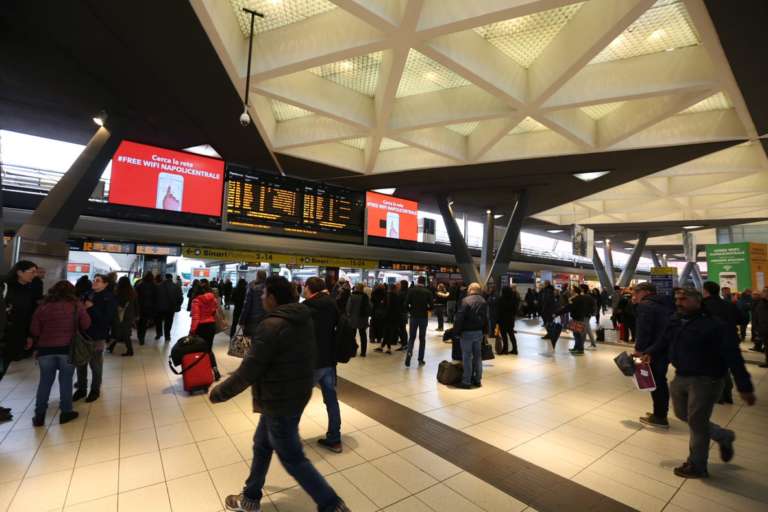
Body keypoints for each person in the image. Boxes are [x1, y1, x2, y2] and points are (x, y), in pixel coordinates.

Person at [208, 276, 349, 512]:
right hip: (291, 395)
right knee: (262, 445)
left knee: (293, 459)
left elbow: (249, 370)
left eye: (264, 295)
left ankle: (332, 505)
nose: (261, 298)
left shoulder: (271, 325)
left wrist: (220, 393)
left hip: (279, 401)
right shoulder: (303, 318)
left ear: (272, 298)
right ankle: (251, 497)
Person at [665, 288, 756, 478]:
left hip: (706, 379)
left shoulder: (714, 325)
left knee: (697, 423)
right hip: (681, 375)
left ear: (698, 301)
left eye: (684, 299)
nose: (678, 302)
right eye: (677, 299)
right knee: (682, 414)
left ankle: (697, 465)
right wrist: (649, 352)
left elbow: (733, 355)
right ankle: (723, 436)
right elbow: (665, 342)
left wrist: (744, 385)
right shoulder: (677, 320)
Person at [28, 281, 91, 426]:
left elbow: (35, 330)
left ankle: (39, 416)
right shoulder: (76, 305)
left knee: (45, 381)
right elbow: (86, 324)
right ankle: (66, 412)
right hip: (67, 349)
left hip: (45, 349)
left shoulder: (43, 306)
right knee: (66, 381)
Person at [303, 277, 344, 454]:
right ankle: (335, 439)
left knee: (297, 399)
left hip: (311, 361)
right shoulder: (332, 304)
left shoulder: (305, 307)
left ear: (309, 288)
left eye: (305, 287)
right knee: (331, 399)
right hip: (329, 360)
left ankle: (286, 438)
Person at [632, 282, 674, 428]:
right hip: (664, 347)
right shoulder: (665, 303)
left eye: (635, 294)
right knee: (659, 380)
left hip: (652, 350)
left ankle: (660, 417)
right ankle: (660, 413)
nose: (634, 297)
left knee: (656, 382)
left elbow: (644, 330)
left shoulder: (646, 306)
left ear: (644, 291)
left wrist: (640, 350)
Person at [73, 274, 116, 403]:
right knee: (81, 363)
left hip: (98, 335)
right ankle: (81, 389)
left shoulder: (110, 298)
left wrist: (92, 308)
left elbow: (107, 319)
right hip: (82, 334)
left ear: (105, 284)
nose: (95, 282)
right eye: (94, 280)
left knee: (95, 365)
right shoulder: (87, 294)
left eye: (98, 281)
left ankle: (95, 390)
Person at [701, 281, 742, 404]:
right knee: (724, 368)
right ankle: (727, 394)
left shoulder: (703, 306)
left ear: (706, 291)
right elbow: (743, 319)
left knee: (711, 368)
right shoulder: (728, 304)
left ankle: (717, 396)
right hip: (730, 339)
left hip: (710, 342)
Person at [453, 283, 488, 388]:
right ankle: (477, 380)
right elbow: (486, 318)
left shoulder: (465, 301)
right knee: (478, 357)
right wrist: (486, 332)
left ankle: (466, 381)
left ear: (471, 290)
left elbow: (460, 318)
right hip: (478, 332)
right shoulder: (483, 301)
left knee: (467, 356)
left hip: (467, 332)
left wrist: (456, 332)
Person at [190, 279, 221, 381]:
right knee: (208, 349)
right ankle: (215, 369)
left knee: (200, 350)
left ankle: (201, 372)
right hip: (211, 326)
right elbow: (214, 310)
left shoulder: (196, 301)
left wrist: (192, 331)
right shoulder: (212, 299)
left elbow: (196, 317)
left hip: (201, 327)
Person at [405, 276, 433, 367]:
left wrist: (410, 310)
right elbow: (431, 306)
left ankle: (409, 353)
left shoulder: (411, 290)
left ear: (417, 281)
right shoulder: (428, 292)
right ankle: (420, 359)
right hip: (423, 317)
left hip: (413, 316)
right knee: (422, 338)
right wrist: (427, 308)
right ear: (424, 282)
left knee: (412, 337)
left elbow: (406, 304)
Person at [108, 276, 138, 356]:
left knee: (119, 332)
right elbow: (136, 305)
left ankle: (129, 350)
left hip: (119, 315)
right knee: (124, 333)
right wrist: (136, 315)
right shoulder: (132, 292)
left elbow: (115, 304)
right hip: (129, 315)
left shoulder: (118, 292)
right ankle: (111, 347)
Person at [155, 273, 183, 343]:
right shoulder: (176, 286)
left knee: (158, 321)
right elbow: (180, 298)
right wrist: (177, 305)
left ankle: (159, 334)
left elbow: (154, 297)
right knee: (168, 322)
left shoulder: (158, 286)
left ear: (165, 278)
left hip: (159, 307)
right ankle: (167, 336)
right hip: (171, 308)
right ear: (171, 278)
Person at [240, 270, 268, 337]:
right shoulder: (268, 287)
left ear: (257, 276)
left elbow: (246, 305)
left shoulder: (252, 287)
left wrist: (242, 320)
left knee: (249, 342)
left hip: (252, 321)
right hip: (266, 320)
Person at [346, 283, 370, 356]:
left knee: (352, 336)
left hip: (353, 319)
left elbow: (348, 308)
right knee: (363, 335)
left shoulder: (352, 296)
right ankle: (363, 352)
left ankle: (352, 351)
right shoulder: (366, 297)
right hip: (363, 319)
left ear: (356, 288)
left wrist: (348, 315)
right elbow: (369, 308)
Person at [377, 283, 401, 355]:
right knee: (389, 333)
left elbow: (383, 306)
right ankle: (387, 348)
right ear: (395, 289)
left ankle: (383, 347)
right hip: (393, 317)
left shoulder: (386, 296)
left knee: (386, 332)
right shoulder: (396, 297)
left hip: (386, 316)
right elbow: (397, 308)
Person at [134, 271, 157, 345]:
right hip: (149, 307)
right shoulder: (154, 285)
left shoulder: (140, 284)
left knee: (139, 322)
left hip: (139, 306)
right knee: (144, 323)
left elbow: (135, 295)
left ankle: (139, 335)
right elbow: (156, 298)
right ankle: (142, 338)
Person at [497, 286, 519, 354]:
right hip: (510, 320)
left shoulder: (501, 299)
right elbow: (515, 310)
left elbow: (498, 311)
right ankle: (515, 349)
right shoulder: (513, 299)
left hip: (502, 320)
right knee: (511, 334)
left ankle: (505, 349)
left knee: (504, 335)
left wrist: (497, 320)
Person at [753, 288, 768, 368]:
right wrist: (756, 327)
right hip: (763, 328)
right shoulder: (761, 302)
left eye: (764, 291)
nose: (763, 293)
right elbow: (757, 315)